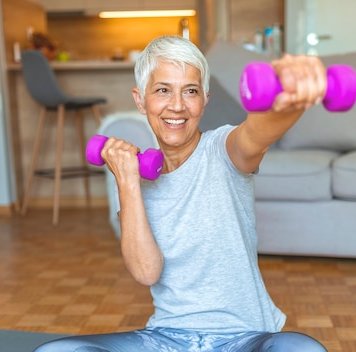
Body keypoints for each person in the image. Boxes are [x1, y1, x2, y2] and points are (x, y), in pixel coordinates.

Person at [35, 35, 328, 352]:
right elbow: (146, 272)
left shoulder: (223, 150)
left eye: (190, 91)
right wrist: (128, 183)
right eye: (162, 90)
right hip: (165, 340)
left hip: (246, 340)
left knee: (302, 349)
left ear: (205, 99)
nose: (177, 105)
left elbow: (258, 131)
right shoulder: (137, 179)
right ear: (140, 100)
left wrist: (292, 99)